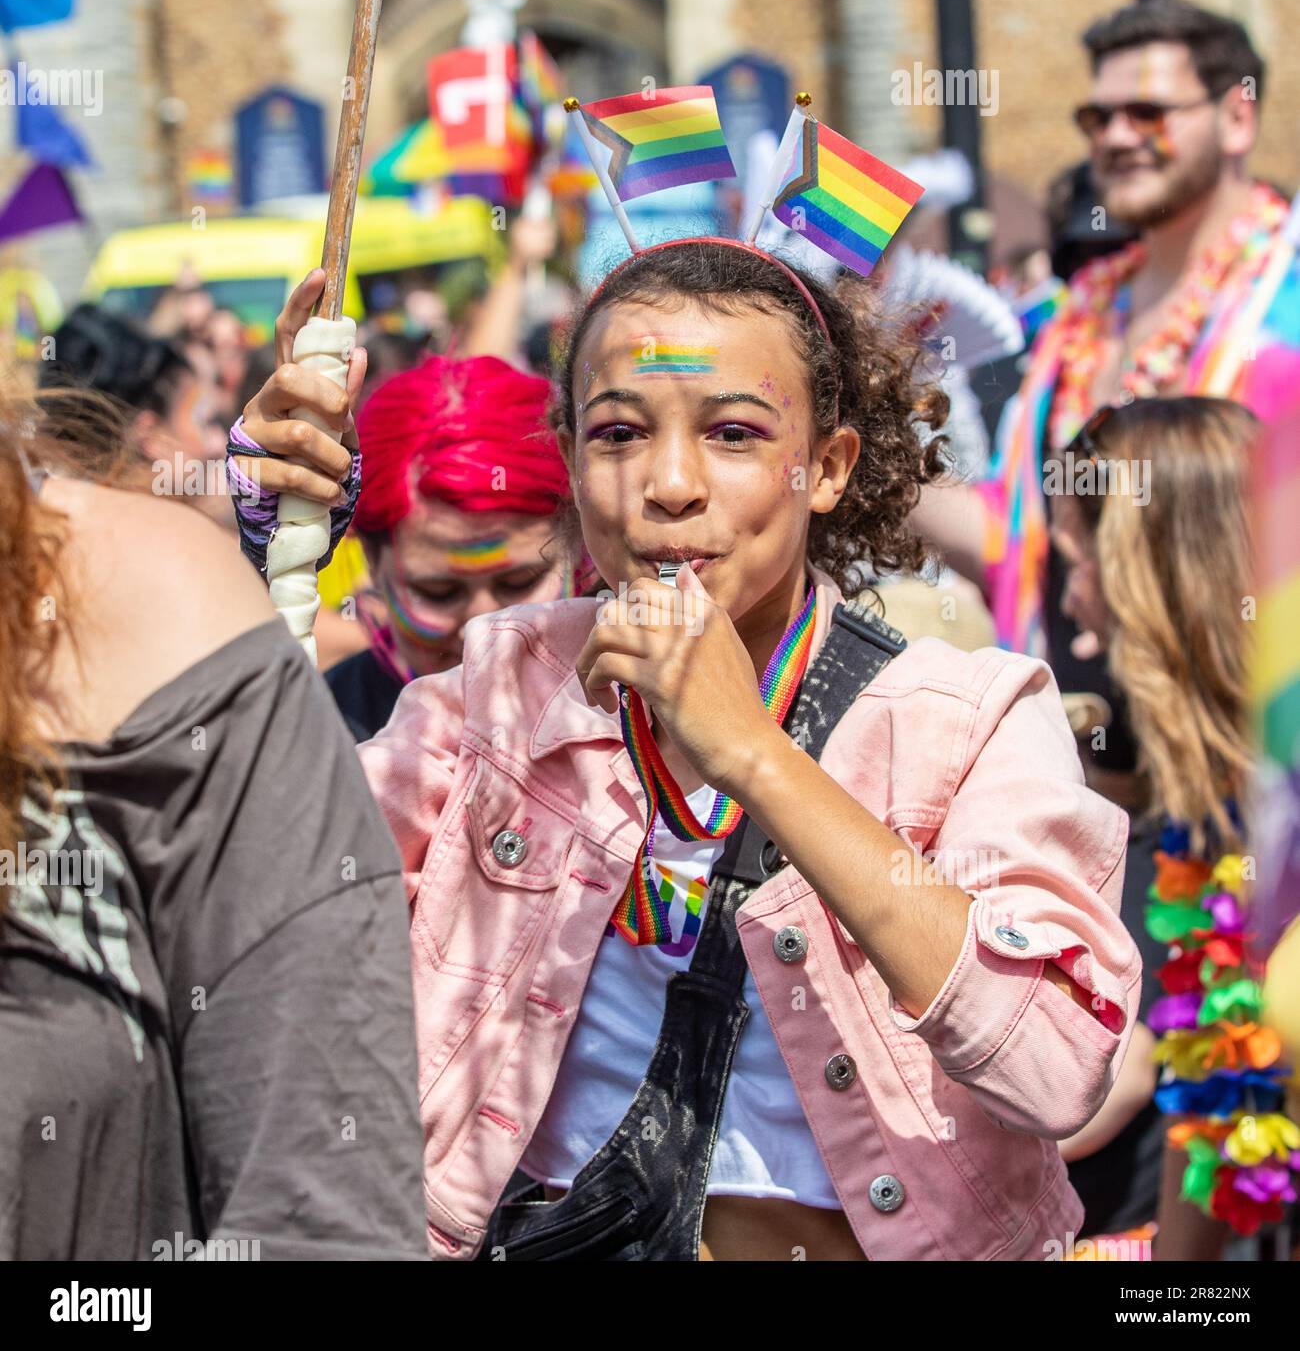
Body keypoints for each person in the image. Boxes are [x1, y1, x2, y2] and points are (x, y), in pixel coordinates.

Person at [240, 237, 1140, 1262]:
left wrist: (755, 754)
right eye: (619, 432)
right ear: (574, 463)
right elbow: (259, 918)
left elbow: (1057, 1067)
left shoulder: (969, 715)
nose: (669, 484)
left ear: (827, 468)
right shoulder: (497, 697)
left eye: (734, 433)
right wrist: (268, 536)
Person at [0, 390, 428, 1259]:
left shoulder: (155, 632)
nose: (470, 616)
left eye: (510, 578)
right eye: (439, 587)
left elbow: (323, 1221)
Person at [914, 0, 1285, 663]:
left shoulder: (1284, 303)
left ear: (1237, 117)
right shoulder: (1081, 313)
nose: (1114, 137)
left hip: (1243, 722)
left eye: (1148, 112)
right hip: (1075, 736)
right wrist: (858, 427)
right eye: (1098, 117)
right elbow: (1014, 539)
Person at [1051, 396, 1299, 1258]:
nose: (1074, 619)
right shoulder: (1204, 810)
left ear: (1143, 573)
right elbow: (1216, 1094)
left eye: (1076, 563)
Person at [228, 272, 576, 741]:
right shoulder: (327, 730)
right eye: (438, 591)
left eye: (518, 582)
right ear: (373, 563)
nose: (483, 634)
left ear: (577, 542)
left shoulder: (641, 712)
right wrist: (273, 558)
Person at [39, 303, 230, 527]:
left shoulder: (55, 527)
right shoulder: (177, 547)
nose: (220, 443)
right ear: (149, 435)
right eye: (205, 422)